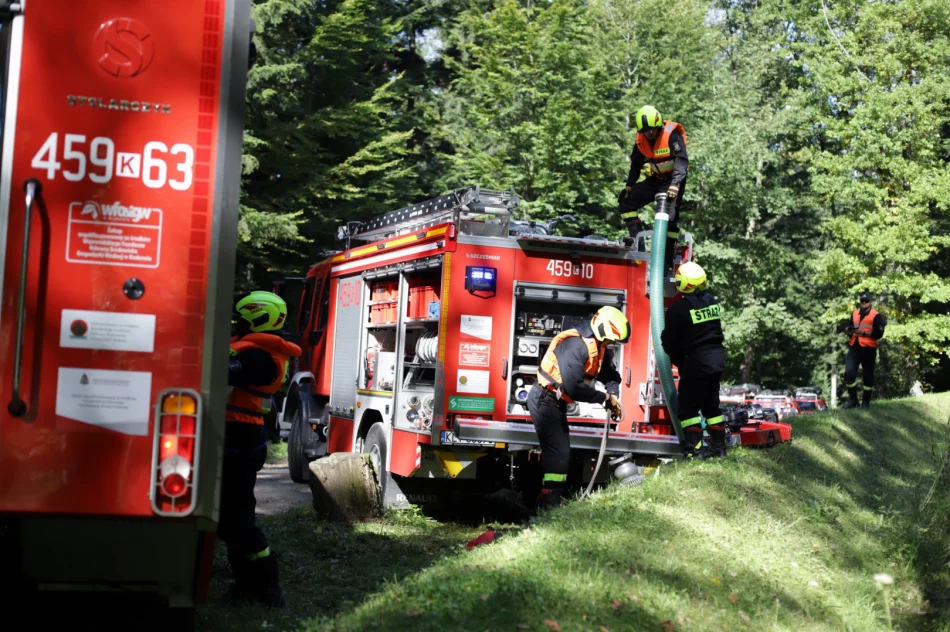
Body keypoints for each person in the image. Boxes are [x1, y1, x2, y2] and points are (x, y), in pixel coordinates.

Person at [221, 290, 301, 607]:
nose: (237, 325)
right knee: (228, 518)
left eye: (241, 320)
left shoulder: (258, 357)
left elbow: (223, 369)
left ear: (257, 319)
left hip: (241, 438)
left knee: (238, 520)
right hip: (236, 433)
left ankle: (269, 591)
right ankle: (243, 587)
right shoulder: (254, 350)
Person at [528, 306, 629, 509]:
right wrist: (604, 399)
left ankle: (549, 501)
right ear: (602, 331)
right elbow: (573, 388)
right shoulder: (575, 345)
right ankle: (549, 503)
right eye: (610, 340)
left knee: (560, 452)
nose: (611, 344)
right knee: (558, 453)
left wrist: (614, 395)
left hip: (556, 402)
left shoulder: (598, 345)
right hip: (544, 399)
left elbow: (610, 374)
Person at [660, 261, 727, 459]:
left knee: (687, 410)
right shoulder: (712, 302)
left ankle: (694, 451)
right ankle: (719, 448)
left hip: (697, 362)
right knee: (711, 406)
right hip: (717, 360)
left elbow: (669, 342)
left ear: (682, 283)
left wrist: (680, 361)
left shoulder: (677, 310)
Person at [617, 105, 689, 272]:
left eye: (651, 130)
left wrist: (675, 184)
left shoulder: (672, 135)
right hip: (656, 179)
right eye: (645, 131)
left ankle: (666, 263)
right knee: (626, 202)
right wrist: (629, 185)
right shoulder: (641, 141)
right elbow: (636, 165)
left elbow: (681, 161)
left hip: (673, 180)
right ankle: (638, 245)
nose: (649, 134)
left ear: (658, 125)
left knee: (668, 219)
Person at [843, 292, 886, 409]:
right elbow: (849, 326)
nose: (864, 303)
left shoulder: (876, 316)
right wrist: (849, 330)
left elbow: (879, 334)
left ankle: (865, 403)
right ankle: (853, 400)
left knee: (868, 376)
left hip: (868, 349)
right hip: (854, 347)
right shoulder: (854, 313)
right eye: (862, 301)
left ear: (870, 302)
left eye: (866, 301)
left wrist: (864, 333)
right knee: (849, 374)